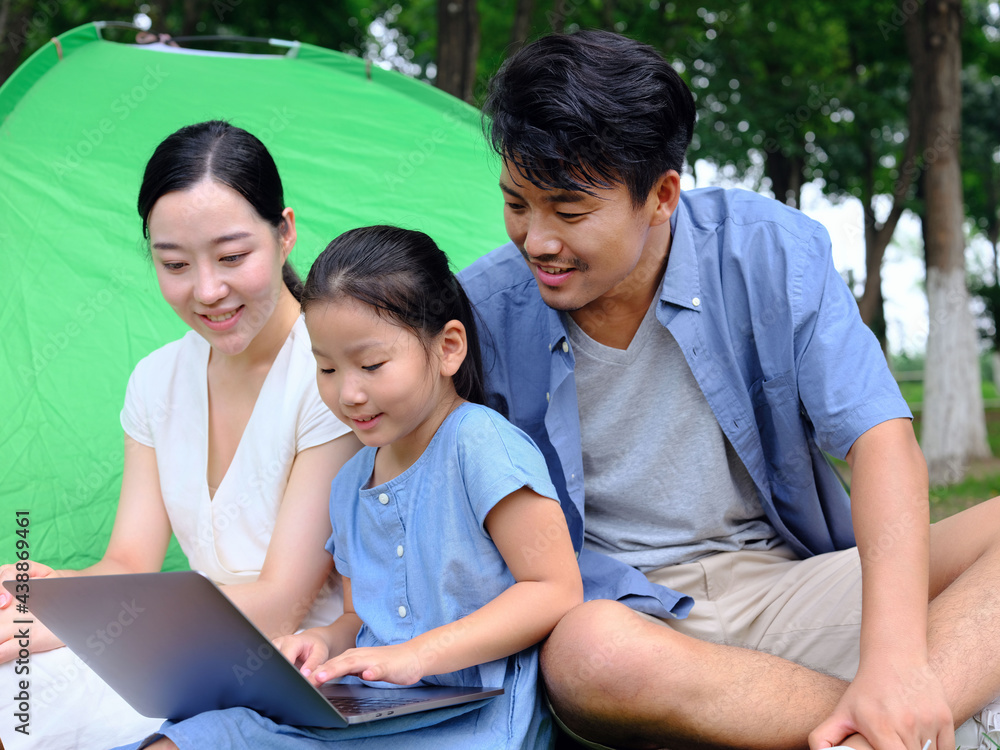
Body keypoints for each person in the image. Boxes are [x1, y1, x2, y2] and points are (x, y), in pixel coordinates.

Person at [457, 29, 1000, 750]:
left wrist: (897, 660)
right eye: (516, 203)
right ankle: (927, 726)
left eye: (568, 210)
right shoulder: (481, 311)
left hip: (789, 585)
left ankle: (889, 712)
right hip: (627, 615)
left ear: (661, 197)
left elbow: (881, 441)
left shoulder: (770, 252)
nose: (535, 240)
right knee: (589, 654)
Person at [119, 224, 583, 750]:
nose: (349, 393)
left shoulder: (481, 445)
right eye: (327, 368)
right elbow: (360, 616)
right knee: (184, 739)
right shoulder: (349, 484)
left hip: (473, 719)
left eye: (371, 365)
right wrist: (321, 643)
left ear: (449, 348)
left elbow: (553, 588)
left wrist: (419, 654)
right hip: (367, 711)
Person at [0, 120, 360, 749]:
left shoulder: (331, 376)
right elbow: (128, 562)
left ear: (285, 233)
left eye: (232, 257)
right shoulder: (156, 380)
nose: (208, 291)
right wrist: (41, 593)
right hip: (171, 650)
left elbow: (280, 604)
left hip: (292, 670)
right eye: (174, 264)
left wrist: (76, 626)